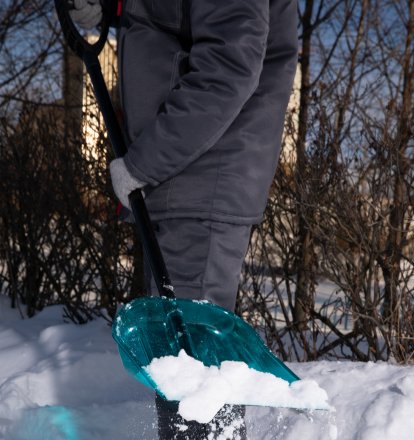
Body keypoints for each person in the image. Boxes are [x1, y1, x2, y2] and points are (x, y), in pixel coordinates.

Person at [70, 0, 298, 438]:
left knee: (194, 381)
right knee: (187, 370)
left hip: (199, 174)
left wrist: (145, 162)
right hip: (190, 179)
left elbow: (229, 64)